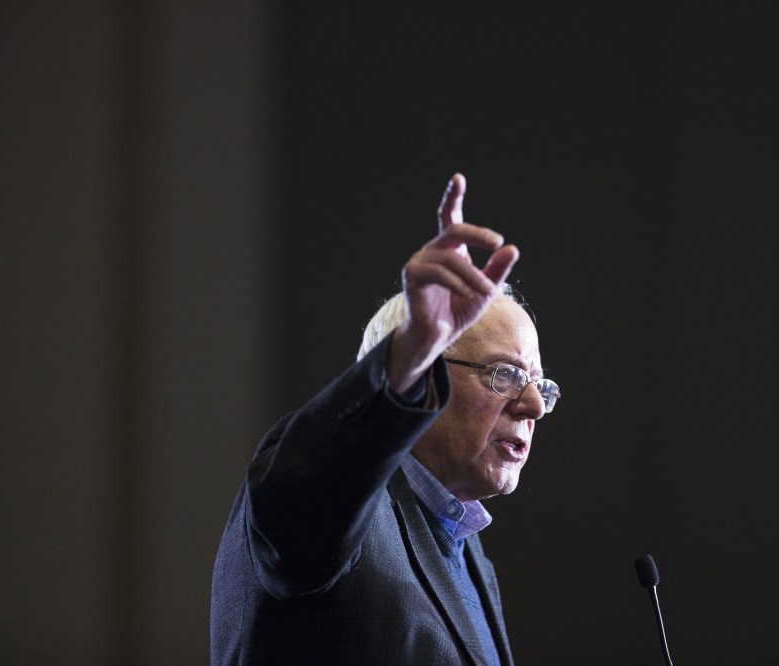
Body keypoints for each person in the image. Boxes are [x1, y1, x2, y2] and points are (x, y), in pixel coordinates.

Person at [210, 173, 560, 665]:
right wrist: (411, 350)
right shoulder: (336, 505)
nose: (534, 406)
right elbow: (303, 493)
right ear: (424, 376)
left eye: (539, 384)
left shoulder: (469, 554)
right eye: (504, 375)